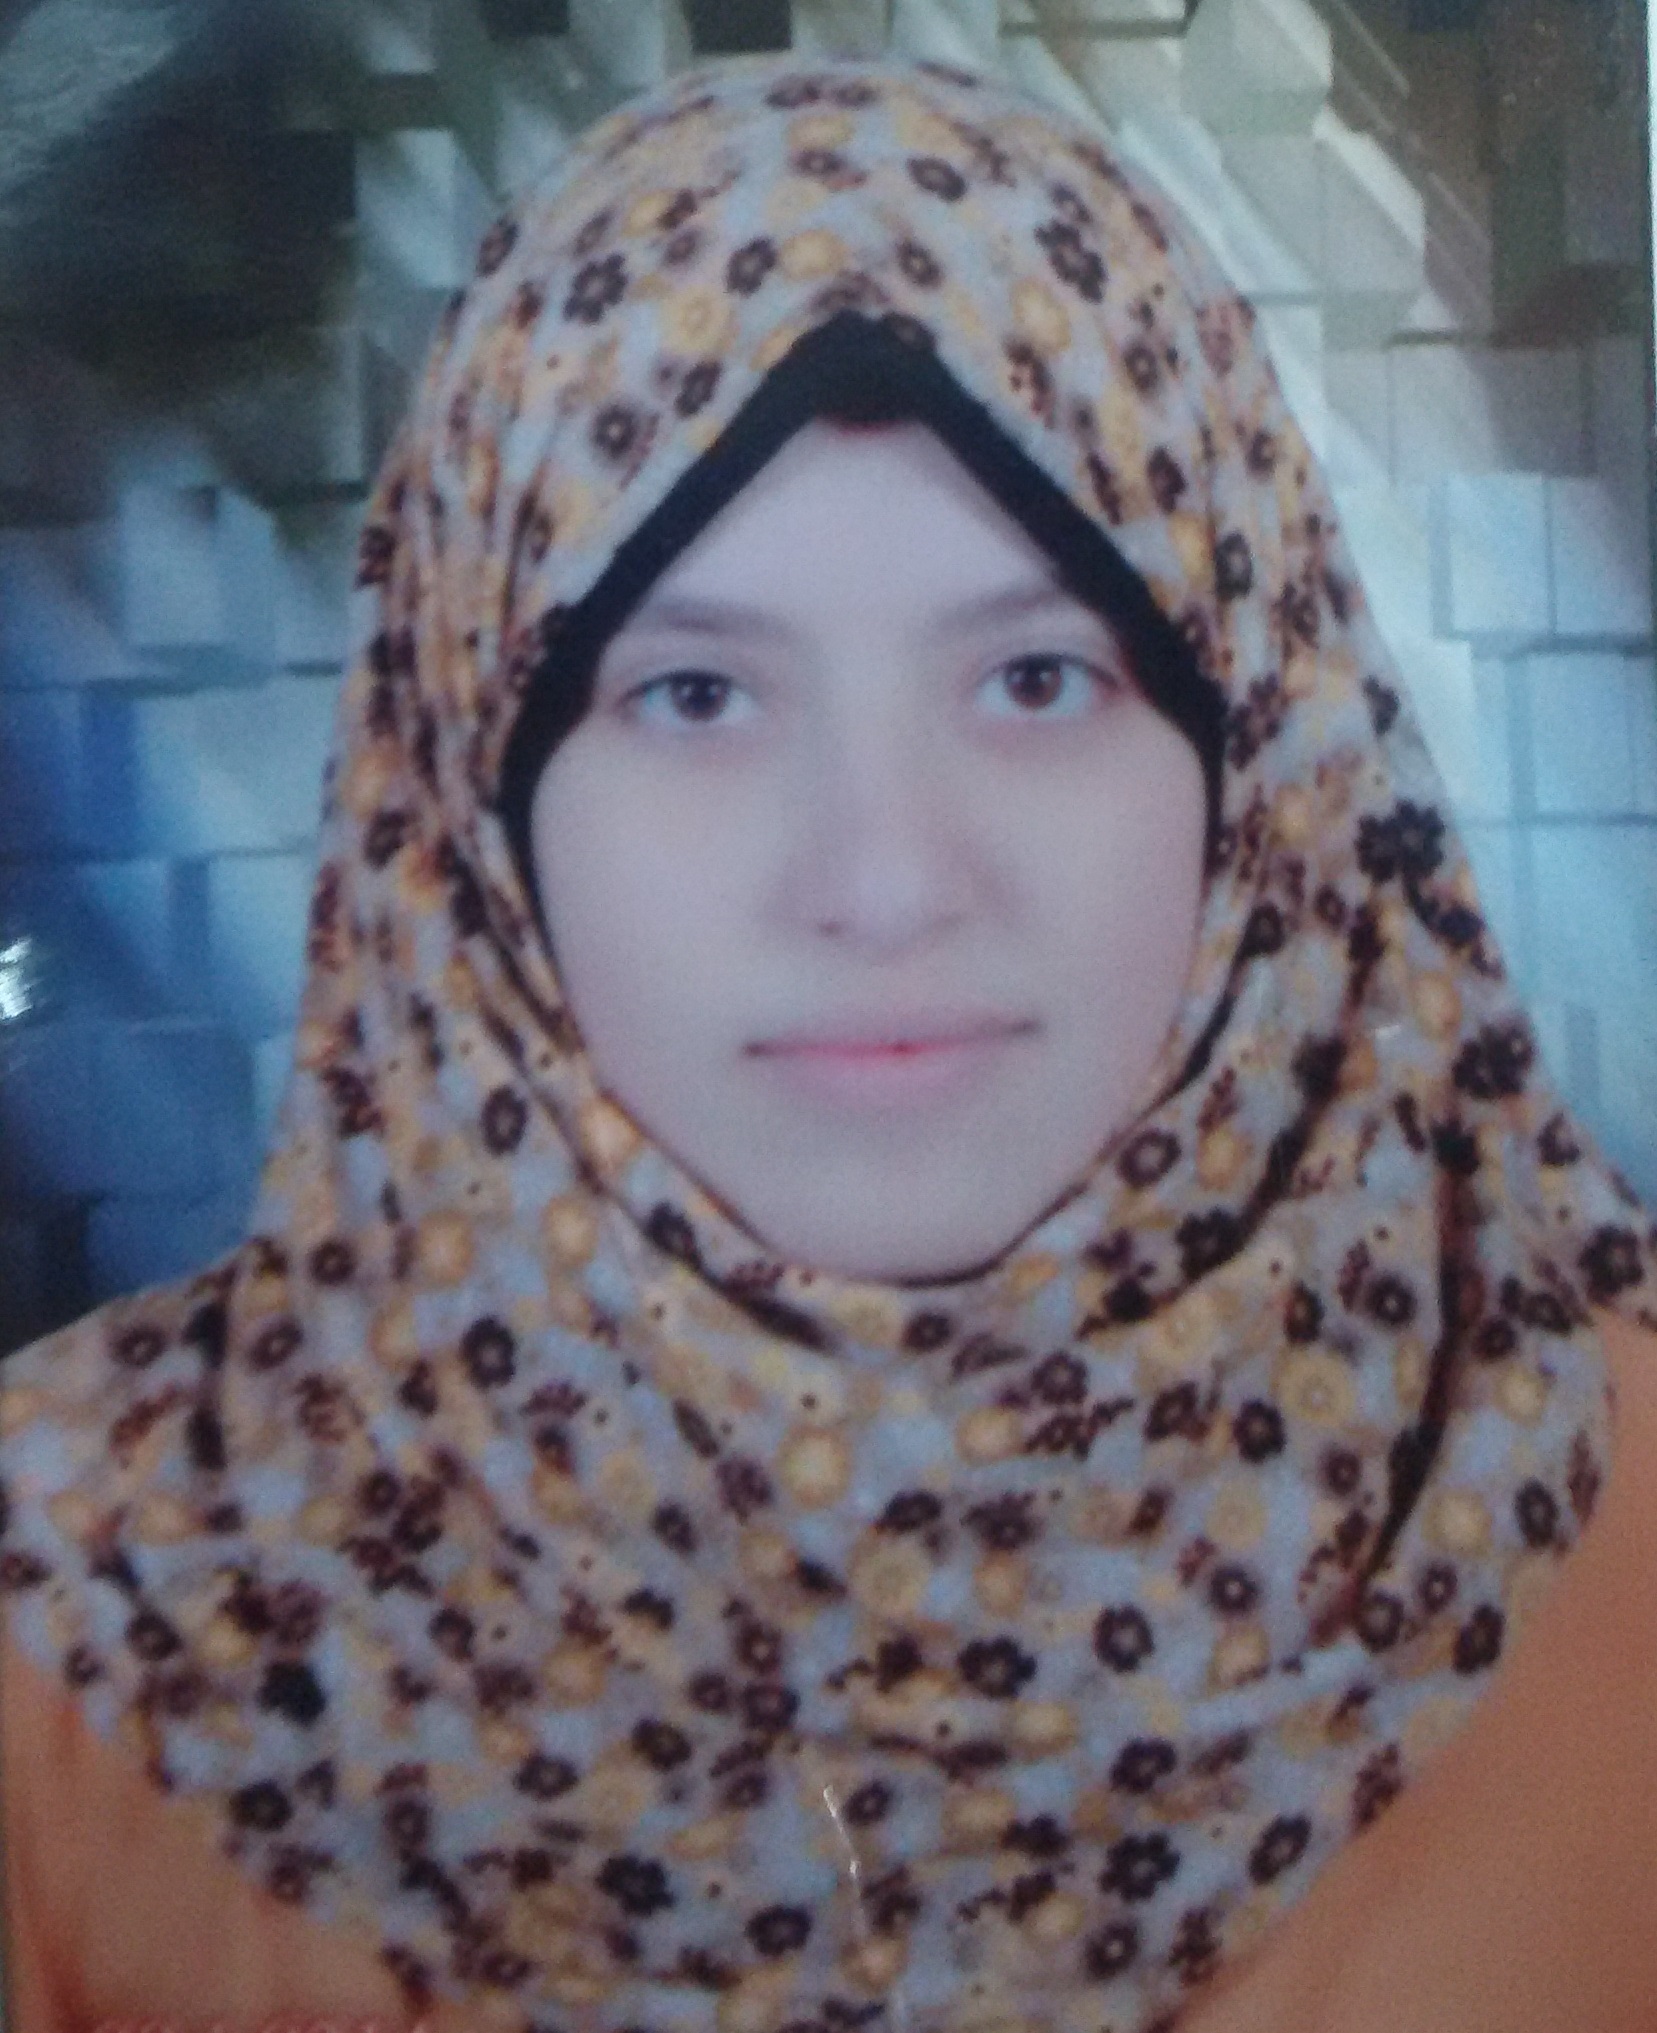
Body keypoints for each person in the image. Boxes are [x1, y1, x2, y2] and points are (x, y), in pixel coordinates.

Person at [1, 48, 1655, 2033]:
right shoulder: (74, 1610)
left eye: (1035, 677)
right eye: (697, 696)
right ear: (466, 806)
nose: (882, 878)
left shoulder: (1615, 1518)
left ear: (1263, 768)